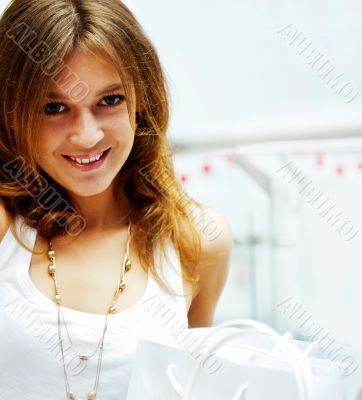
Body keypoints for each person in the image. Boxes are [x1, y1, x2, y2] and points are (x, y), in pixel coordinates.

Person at [0, 0, 233, 398]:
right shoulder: (7, 228)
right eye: (54, 108)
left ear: (142, 101)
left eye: (110, 101)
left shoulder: (196, 238)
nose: (87, 136)